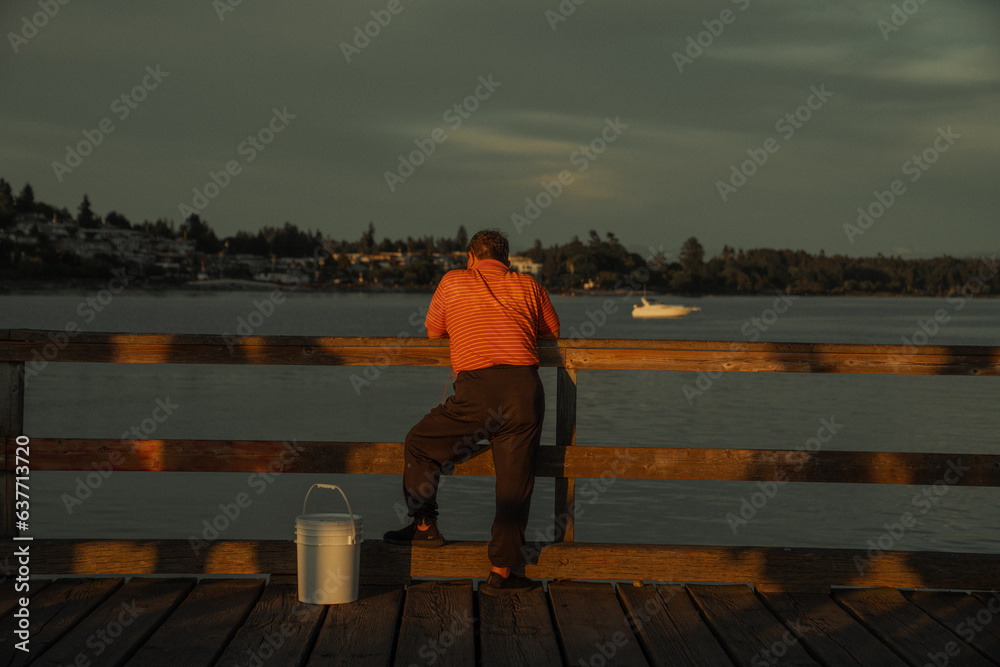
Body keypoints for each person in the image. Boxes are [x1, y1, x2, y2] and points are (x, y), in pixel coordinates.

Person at [383, 228, 560, 593]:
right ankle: (501, 574)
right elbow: (552, 331)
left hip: (478, 391)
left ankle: (424, 528)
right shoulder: (528, 284)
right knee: (514, 484)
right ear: (507, 260)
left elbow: (433, 331)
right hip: (524, 390)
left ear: (471, 258)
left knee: (419, 443)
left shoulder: (454, 281)